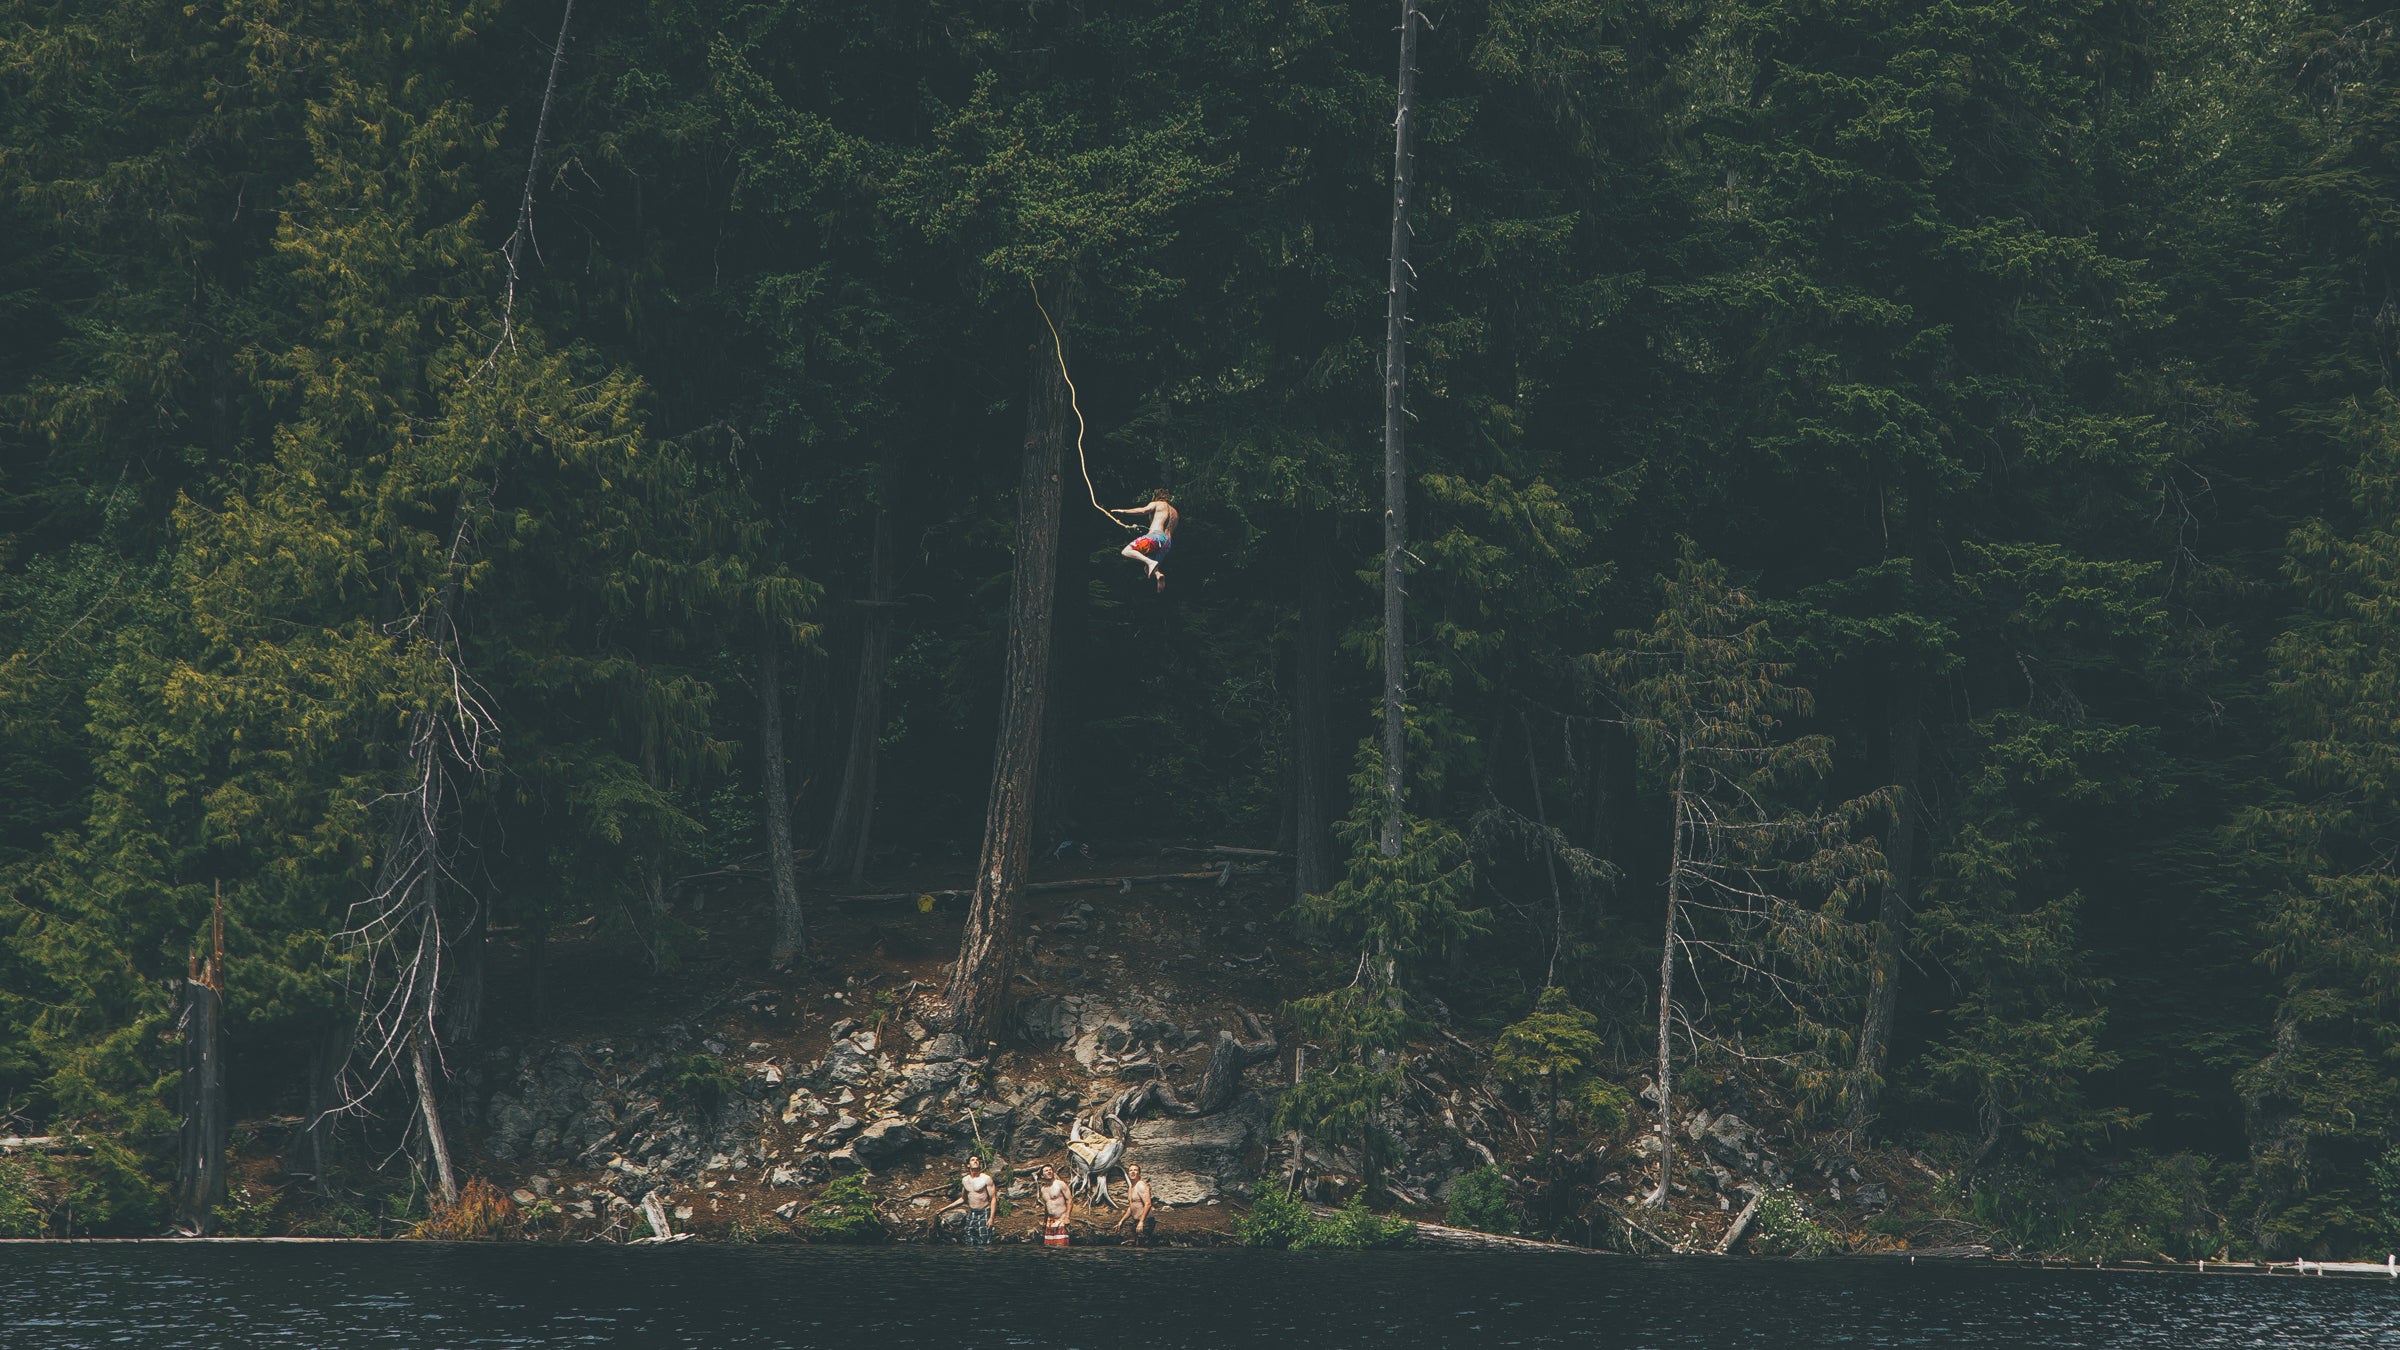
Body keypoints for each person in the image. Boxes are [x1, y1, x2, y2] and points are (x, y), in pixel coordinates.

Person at [1113, 490, 1178, 592]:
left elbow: (1143, 510)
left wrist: (1123, 511)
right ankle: (1158, 575)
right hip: (1167, 543)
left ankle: (1151, 563)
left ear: (1156, 496)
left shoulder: (1157, 504)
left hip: (1156, 536)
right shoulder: (1175, 513)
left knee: (1126, 551)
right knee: (1148, 569)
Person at [938, 1154, 997, 1246]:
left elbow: (993, 1198)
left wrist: (991, 1218)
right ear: (968, 1165)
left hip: (984, 1212)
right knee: (969, 1238)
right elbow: (963, 1198)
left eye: (977, 1160)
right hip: (972, 1212)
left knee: (984, 1240)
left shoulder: (986, 1179)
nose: (975, 1161)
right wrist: (945, 1208)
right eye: (972, 1160)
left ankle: (986, 1258)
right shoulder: (965, 1180)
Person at [1113, 1162, 1157, 1244]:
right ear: (1128, 1173)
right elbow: (1131, 1207)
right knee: (1134, 1246)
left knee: (1142, 1248)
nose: (1132, 1172)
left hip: (1145, 1221)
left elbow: (1148, 1204)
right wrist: (1121, 1221)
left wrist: (1141, 1221)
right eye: (1130, 1170)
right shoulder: (1131, 1187)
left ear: (1139, 1173)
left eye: (1135, 1170)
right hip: (1136, 1221)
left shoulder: (1141, 1185)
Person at [1038, 1163, 1074, 1246]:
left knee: (1061, 1247)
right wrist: (1044, 1221)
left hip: (1061, 1219)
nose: (1049, 1172)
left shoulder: (1060, 1184)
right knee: (1049, 1247)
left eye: (1050, 1170)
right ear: (1042, 1175)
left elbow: (1069, 1200)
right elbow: (1047, 1206)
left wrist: (1067, 1217)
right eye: (1046, 1171)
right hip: (1050, 1221)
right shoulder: (1043, 1189)